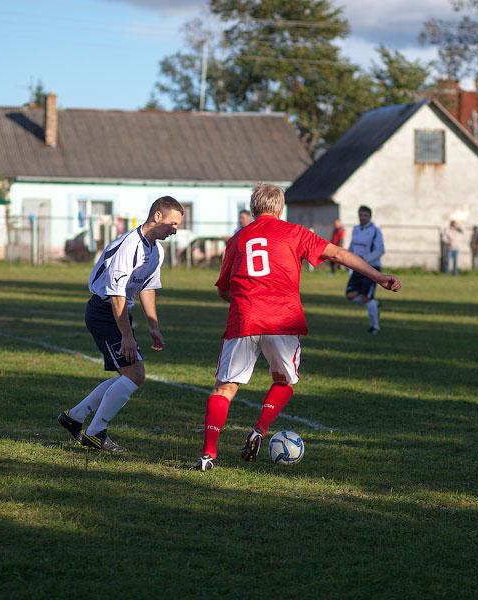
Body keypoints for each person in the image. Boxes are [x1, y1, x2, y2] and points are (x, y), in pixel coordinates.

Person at [194, 184, 401, 471]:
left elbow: (223, 291)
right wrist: (378, 277)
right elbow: (339, 255)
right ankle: (259, 429)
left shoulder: (237, 239)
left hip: (245, 318)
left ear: (254, 209)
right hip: (282, 319)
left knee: (224, 388)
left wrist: (246, 298)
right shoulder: (295, 232)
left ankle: (208, 455)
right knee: (284, 381)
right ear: (281, 208)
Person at [56, 196, 183, 452]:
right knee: (135, 375)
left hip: (119, 311)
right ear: (157, 216)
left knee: (128, 375)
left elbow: (147, 287)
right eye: (172, 223)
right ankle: (95, 433)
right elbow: (116, 295)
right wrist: (126, 335)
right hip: (105, 311)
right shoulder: (129, 245)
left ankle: (75, 417)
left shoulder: (156, 249)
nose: (174, 230)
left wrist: (154, 325)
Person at [346, 205, 386, 334]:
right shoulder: (356, 229)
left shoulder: (375, 231)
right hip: (358, 267)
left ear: (370, 217)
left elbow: (380, 250)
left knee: (365, 298)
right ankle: (375, 304)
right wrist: (346, 258)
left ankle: (375, 327)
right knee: (350, 295)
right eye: (360, 215)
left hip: (371, 268)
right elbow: (352, 246)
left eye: (365, 215)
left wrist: (365, 258)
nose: (362, 218)